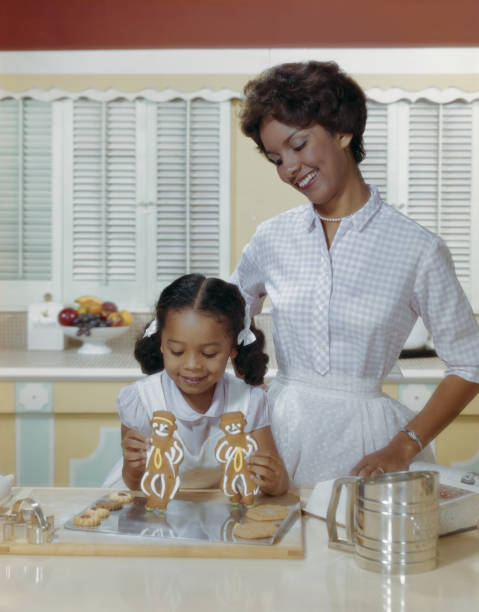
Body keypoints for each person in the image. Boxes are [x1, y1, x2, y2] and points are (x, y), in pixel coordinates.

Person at [231, 60, 479, 486]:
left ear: (343, 131)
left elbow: (470, 363)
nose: (290, 167)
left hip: (369, 445)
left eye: (299, 144)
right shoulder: (272, 239)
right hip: (279, 438)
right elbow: (223, 320)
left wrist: (404, 445)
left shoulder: (416, 249)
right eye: (276, 157)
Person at [104, 273, 288, 497]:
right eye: (177, 351)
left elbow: (275, 481)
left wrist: (275, 481)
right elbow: (133, 482)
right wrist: (133, 466)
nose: (192, 365)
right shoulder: (142, 399)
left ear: (232, 348)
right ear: (161, 342)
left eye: (209, 353)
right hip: (154, 501)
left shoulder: (250, 401)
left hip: (216, 506)